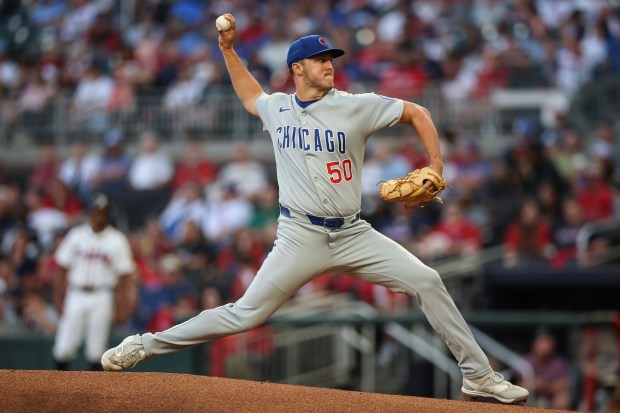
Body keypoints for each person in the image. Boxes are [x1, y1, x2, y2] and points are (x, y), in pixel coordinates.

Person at [101, 14, 529, 405]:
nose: (329, 65)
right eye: (319, 59)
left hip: (353, 233)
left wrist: (435, 164)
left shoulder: (355, 105)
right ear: (297, 69)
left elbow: (417, 112)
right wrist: (228, 51)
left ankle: (478, 376)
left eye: (331, 59)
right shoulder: (279, 108)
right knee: (246, 313)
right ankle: (145, 345)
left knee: (428, 280)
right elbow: (252, 94)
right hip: (299, 236)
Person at [53, 193, 135, 371]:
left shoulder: (117, 240)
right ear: (89, 213)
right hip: (76, 293)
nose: (98, 216)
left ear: (107, 215)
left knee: (96, 349)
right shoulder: (76, 235)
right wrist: (58, 298)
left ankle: (94, 395)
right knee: (64, 346)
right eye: (95, 212)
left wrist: (121, 305)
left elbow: (124, 276)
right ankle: (55, 391)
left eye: (102, 213)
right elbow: (62, 269)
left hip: (102, 294)